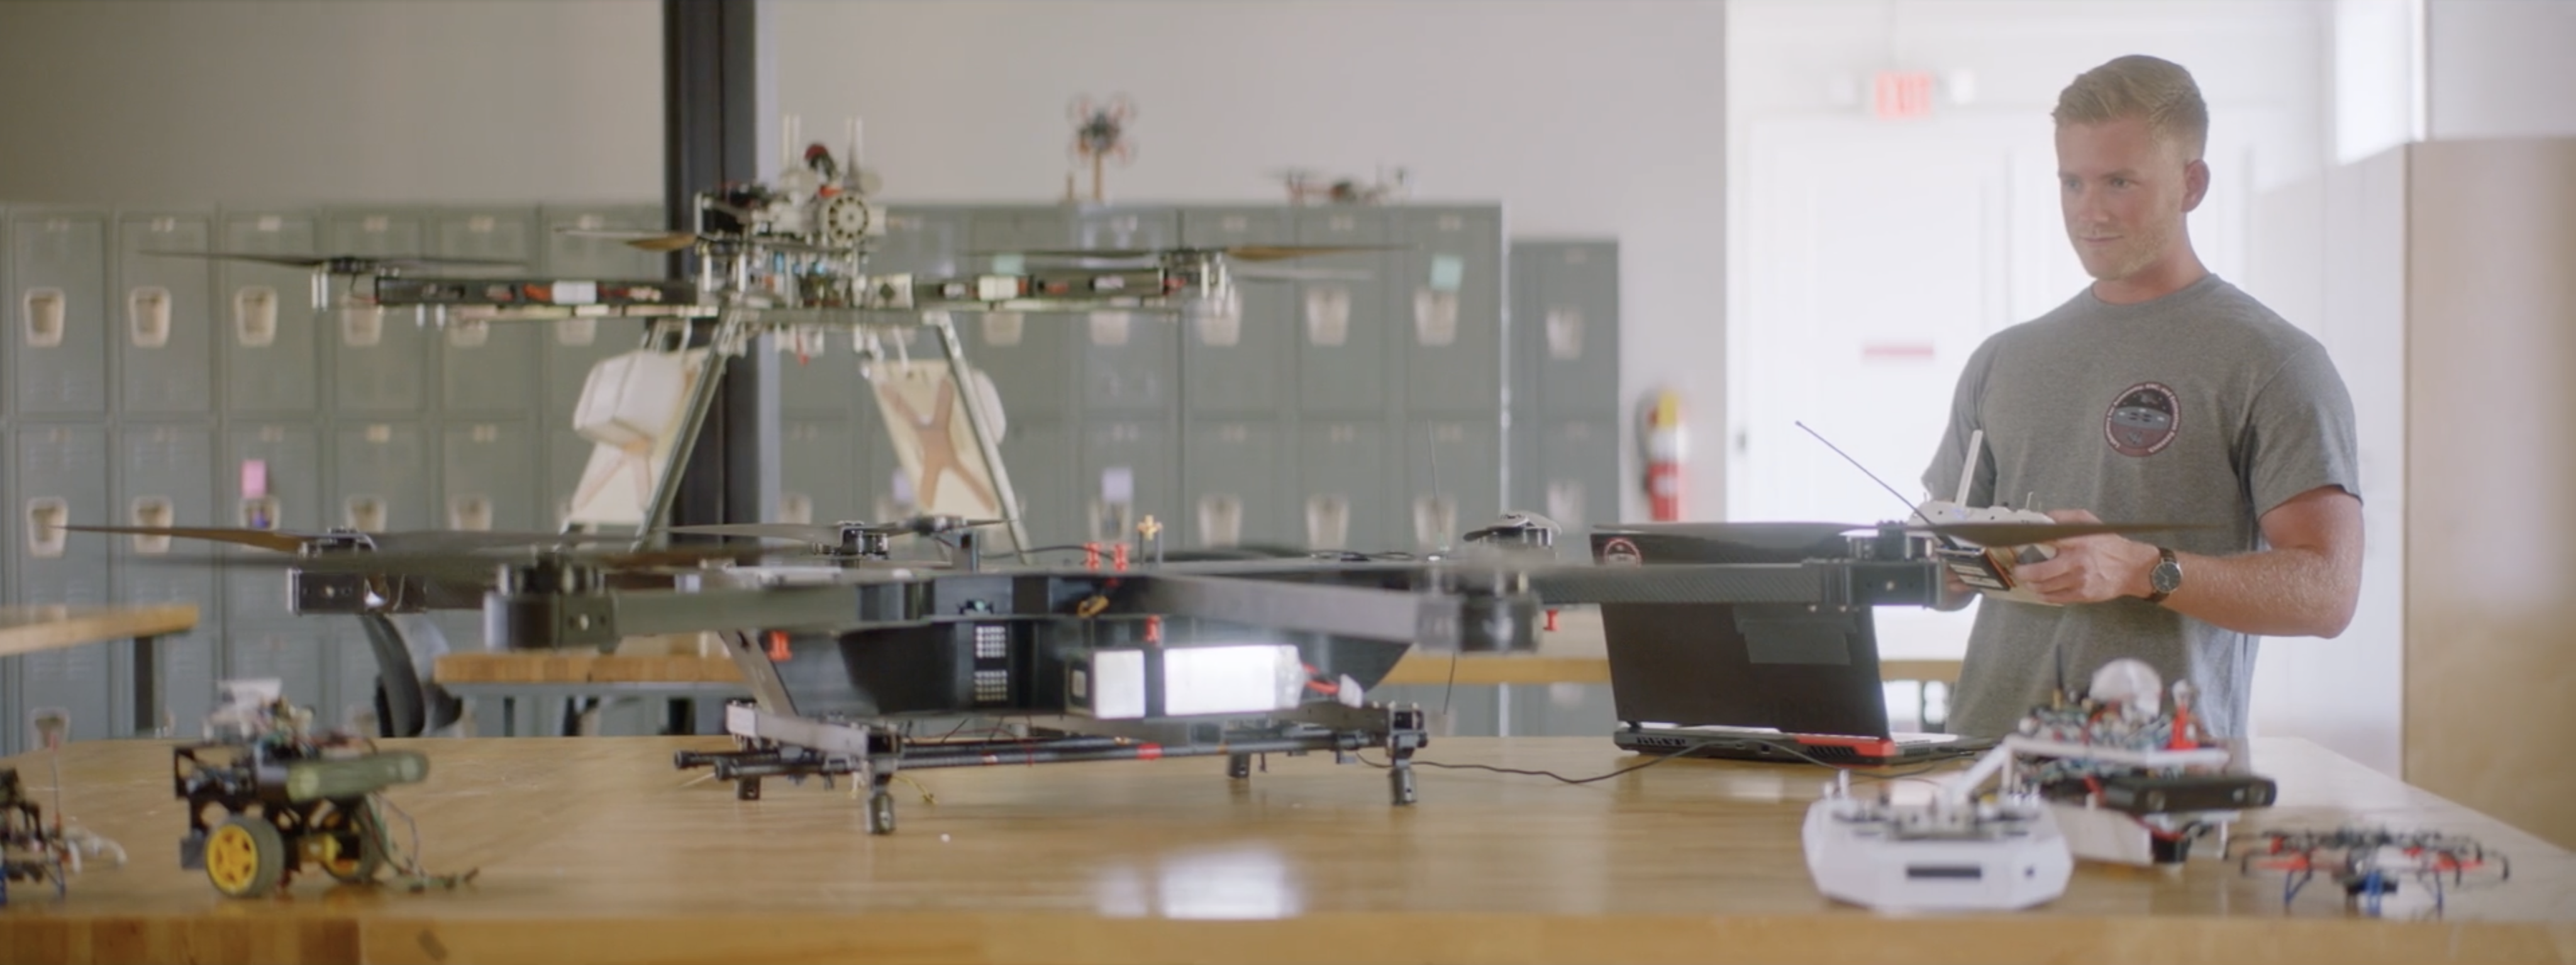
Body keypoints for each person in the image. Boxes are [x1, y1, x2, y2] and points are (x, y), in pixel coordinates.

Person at [1919, 54, 2364, 741]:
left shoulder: (2272, 362)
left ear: (2192, 184)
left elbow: (2327, 593)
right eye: (2071, 182)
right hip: (1983, 773)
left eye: (2118, 182)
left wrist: (2141, 569)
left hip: (2162, 786)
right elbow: (1941, 579)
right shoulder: (2004, 360)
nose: (2087, 211)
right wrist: (1931, 558)